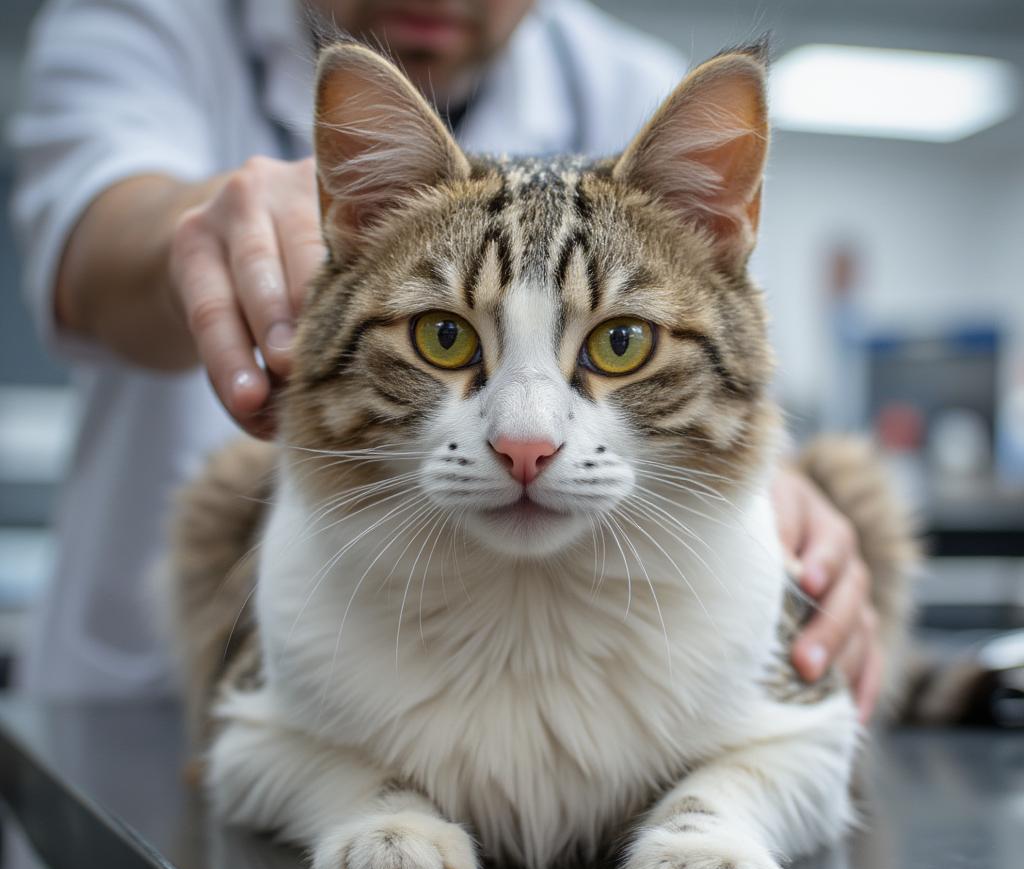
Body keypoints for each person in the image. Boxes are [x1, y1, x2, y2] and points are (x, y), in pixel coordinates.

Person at [9, 0, 882, 717]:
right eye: (445, 336)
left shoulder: (634, 82)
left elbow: (702, 347)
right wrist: (196, 236)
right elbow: (86, 249)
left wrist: (756, 493)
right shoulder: (144, 19)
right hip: (137, 702)